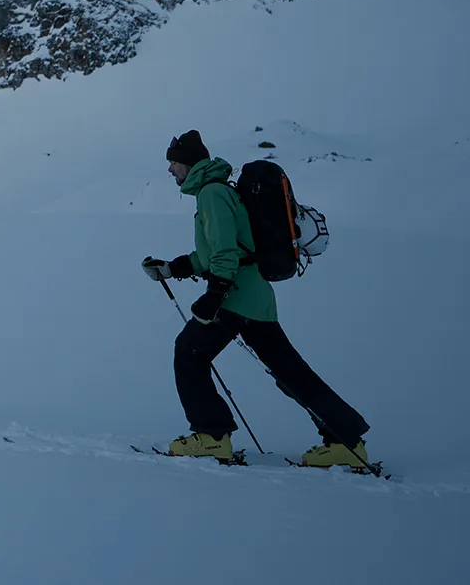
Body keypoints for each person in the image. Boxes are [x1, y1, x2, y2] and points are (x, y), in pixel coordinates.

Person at [143, 129, 371, 467]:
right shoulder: (217, 191)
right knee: (290, 371)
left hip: (234, 297)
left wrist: (214, 295)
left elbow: (224, 253)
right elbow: (214, 253)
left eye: (173, 163)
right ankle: (346, 440)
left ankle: (211, 436)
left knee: (189, 350)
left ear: (189, 164)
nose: (170, 170)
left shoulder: (212, 194)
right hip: (255, 298)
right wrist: (172, 268)